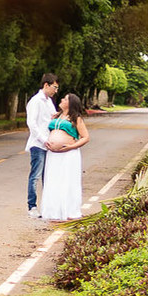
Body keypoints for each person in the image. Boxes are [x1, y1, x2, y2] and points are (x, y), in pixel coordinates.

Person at [39, 92, 90, 220]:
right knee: (53, 180)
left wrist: (71, 146)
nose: (61, 99)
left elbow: (85, 137)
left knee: (66, 180)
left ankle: (68, 210)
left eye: (65, 99)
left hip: (68, 154)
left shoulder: (76, 119)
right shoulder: (56, 116)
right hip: (53, 155)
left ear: (70, 103)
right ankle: (53, 211)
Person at [24, 73, 59, 216]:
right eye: (54, 87)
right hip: (38, 144)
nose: (56, 90)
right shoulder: (36, 101)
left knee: (47, 175)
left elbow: (50, 119)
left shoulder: (48, 101)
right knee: (35, 176)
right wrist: (43, 139)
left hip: (48, 144)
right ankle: (32, 206)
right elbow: (31, 123)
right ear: (46, 85)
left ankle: (47, 206)